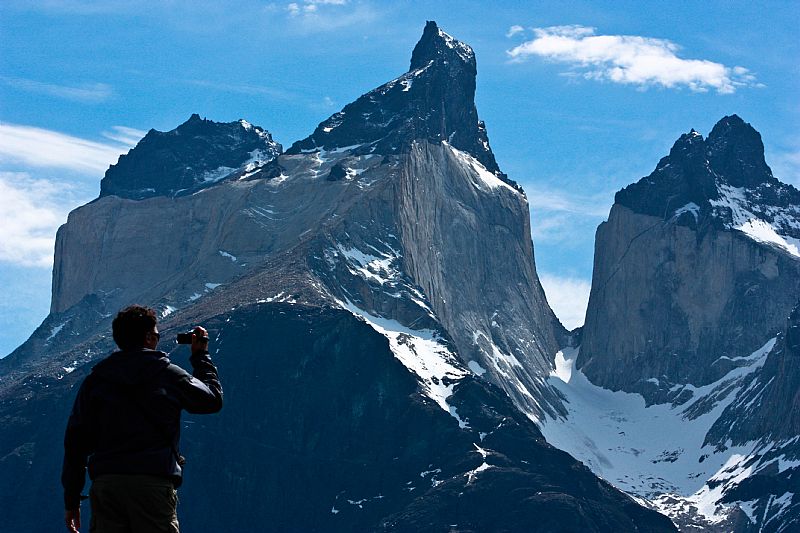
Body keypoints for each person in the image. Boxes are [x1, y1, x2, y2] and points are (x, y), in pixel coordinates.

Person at [62, 305, 223, 532]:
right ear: (148, 337)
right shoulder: (168, 375)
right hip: (152, 486)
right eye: (156, 333)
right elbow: (212, 400)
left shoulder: (96, 382)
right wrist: (201, 357)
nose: (157, 337)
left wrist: (72, 499)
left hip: (107, 487)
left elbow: (75, 444)